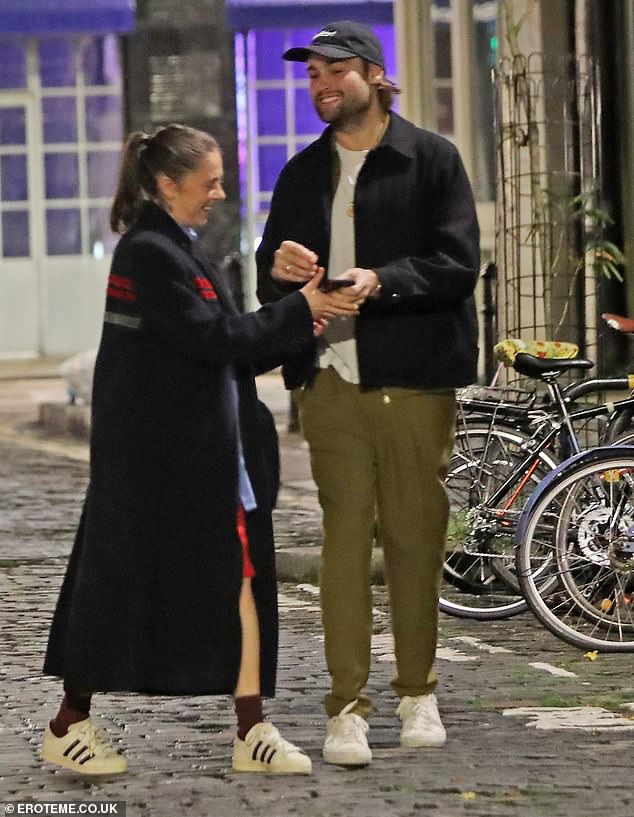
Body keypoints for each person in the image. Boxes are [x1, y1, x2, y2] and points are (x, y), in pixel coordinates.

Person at [41, 124, 358, 776]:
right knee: (118, 591)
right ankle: (68, 722)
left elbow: (227, 347)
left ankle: (252, 729)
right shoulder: (149, 253)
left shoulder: (178, 248)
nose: (220, 191)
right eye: (209, 179)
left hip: (203, 456)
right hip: (159, 466)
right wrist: (299, 308)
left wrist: (305, 316)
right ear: (166, 184)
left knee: (237, 578)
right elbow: (212, 338)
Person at [256, 20, 480, 766]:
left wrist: (382, 282)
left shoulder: (431, 159)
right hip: (330, 381)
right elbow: (268, 276)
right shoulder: (299, 174)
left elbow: (455, 263)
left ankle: (418, 691)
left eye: (334, 71)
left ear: (375, 76)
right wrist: (283, 270)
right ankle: (346, 706)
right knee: (343, 544)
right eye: (311, 74)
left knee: (416, 539)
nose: (320, 84)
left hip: (414, 379)